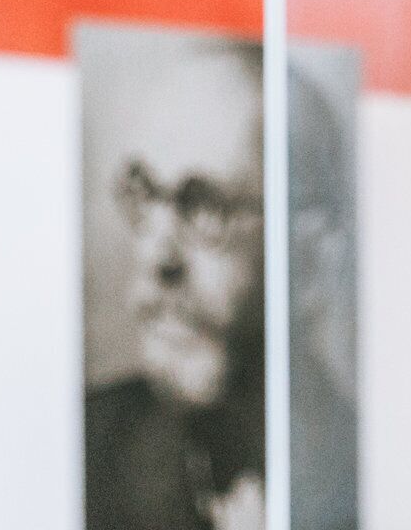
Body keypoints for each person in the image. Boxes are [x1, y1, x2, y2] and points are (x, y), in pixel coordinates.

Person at [85, 36, 278, 530]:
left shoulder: (380, 459)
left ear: (314, 247)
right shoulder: (90, 446)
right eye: (146, 193)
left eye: (207, 206)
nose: (157, 256)